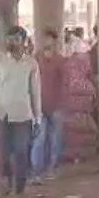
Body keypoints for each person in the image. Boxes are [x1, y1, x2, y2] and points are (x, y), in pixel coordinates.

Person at [0, 25, 42, 197]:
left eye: (15, 40)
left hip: (24, 114)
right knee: (5, 154)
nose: (11, 43)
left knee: (21, 152)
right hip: (3, 114)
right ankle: (8, 183)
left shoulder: (31, 64)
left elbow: (35, 92)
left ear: (23, 42)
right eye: (9, 40)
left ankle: (20, 188)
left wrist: (38, 118)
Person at [31, 29, 66, 182]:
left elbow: (65, 82)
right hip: (38, 105)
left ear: (54, 42)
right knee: (39, 139)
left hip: (57, 104)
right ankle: (37, 170)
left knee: (55, 139)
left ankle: (52, 168)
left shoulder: (60, 60)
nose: (47, 42)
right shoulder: (35, 60)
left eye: (50, 39)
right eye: (45, 39)